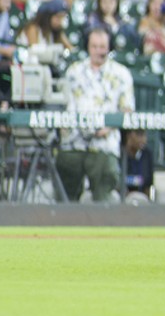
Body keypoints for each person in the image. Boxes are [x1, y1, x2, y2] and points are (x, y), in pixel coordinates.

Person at [57, 26, 135, 202]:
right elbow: (64, 104)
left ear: (109, 47)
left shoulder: (121, 74)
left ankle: (104, 227)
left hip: (104, 143)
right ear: (88, 47)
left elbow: (127, 110)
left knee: (104, 186)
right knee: (66, 192)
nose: (99, 51)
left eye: (103, 46)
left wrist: (108, 127)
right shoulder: (74, 71)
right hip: (73, 140)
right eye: (94, 46)